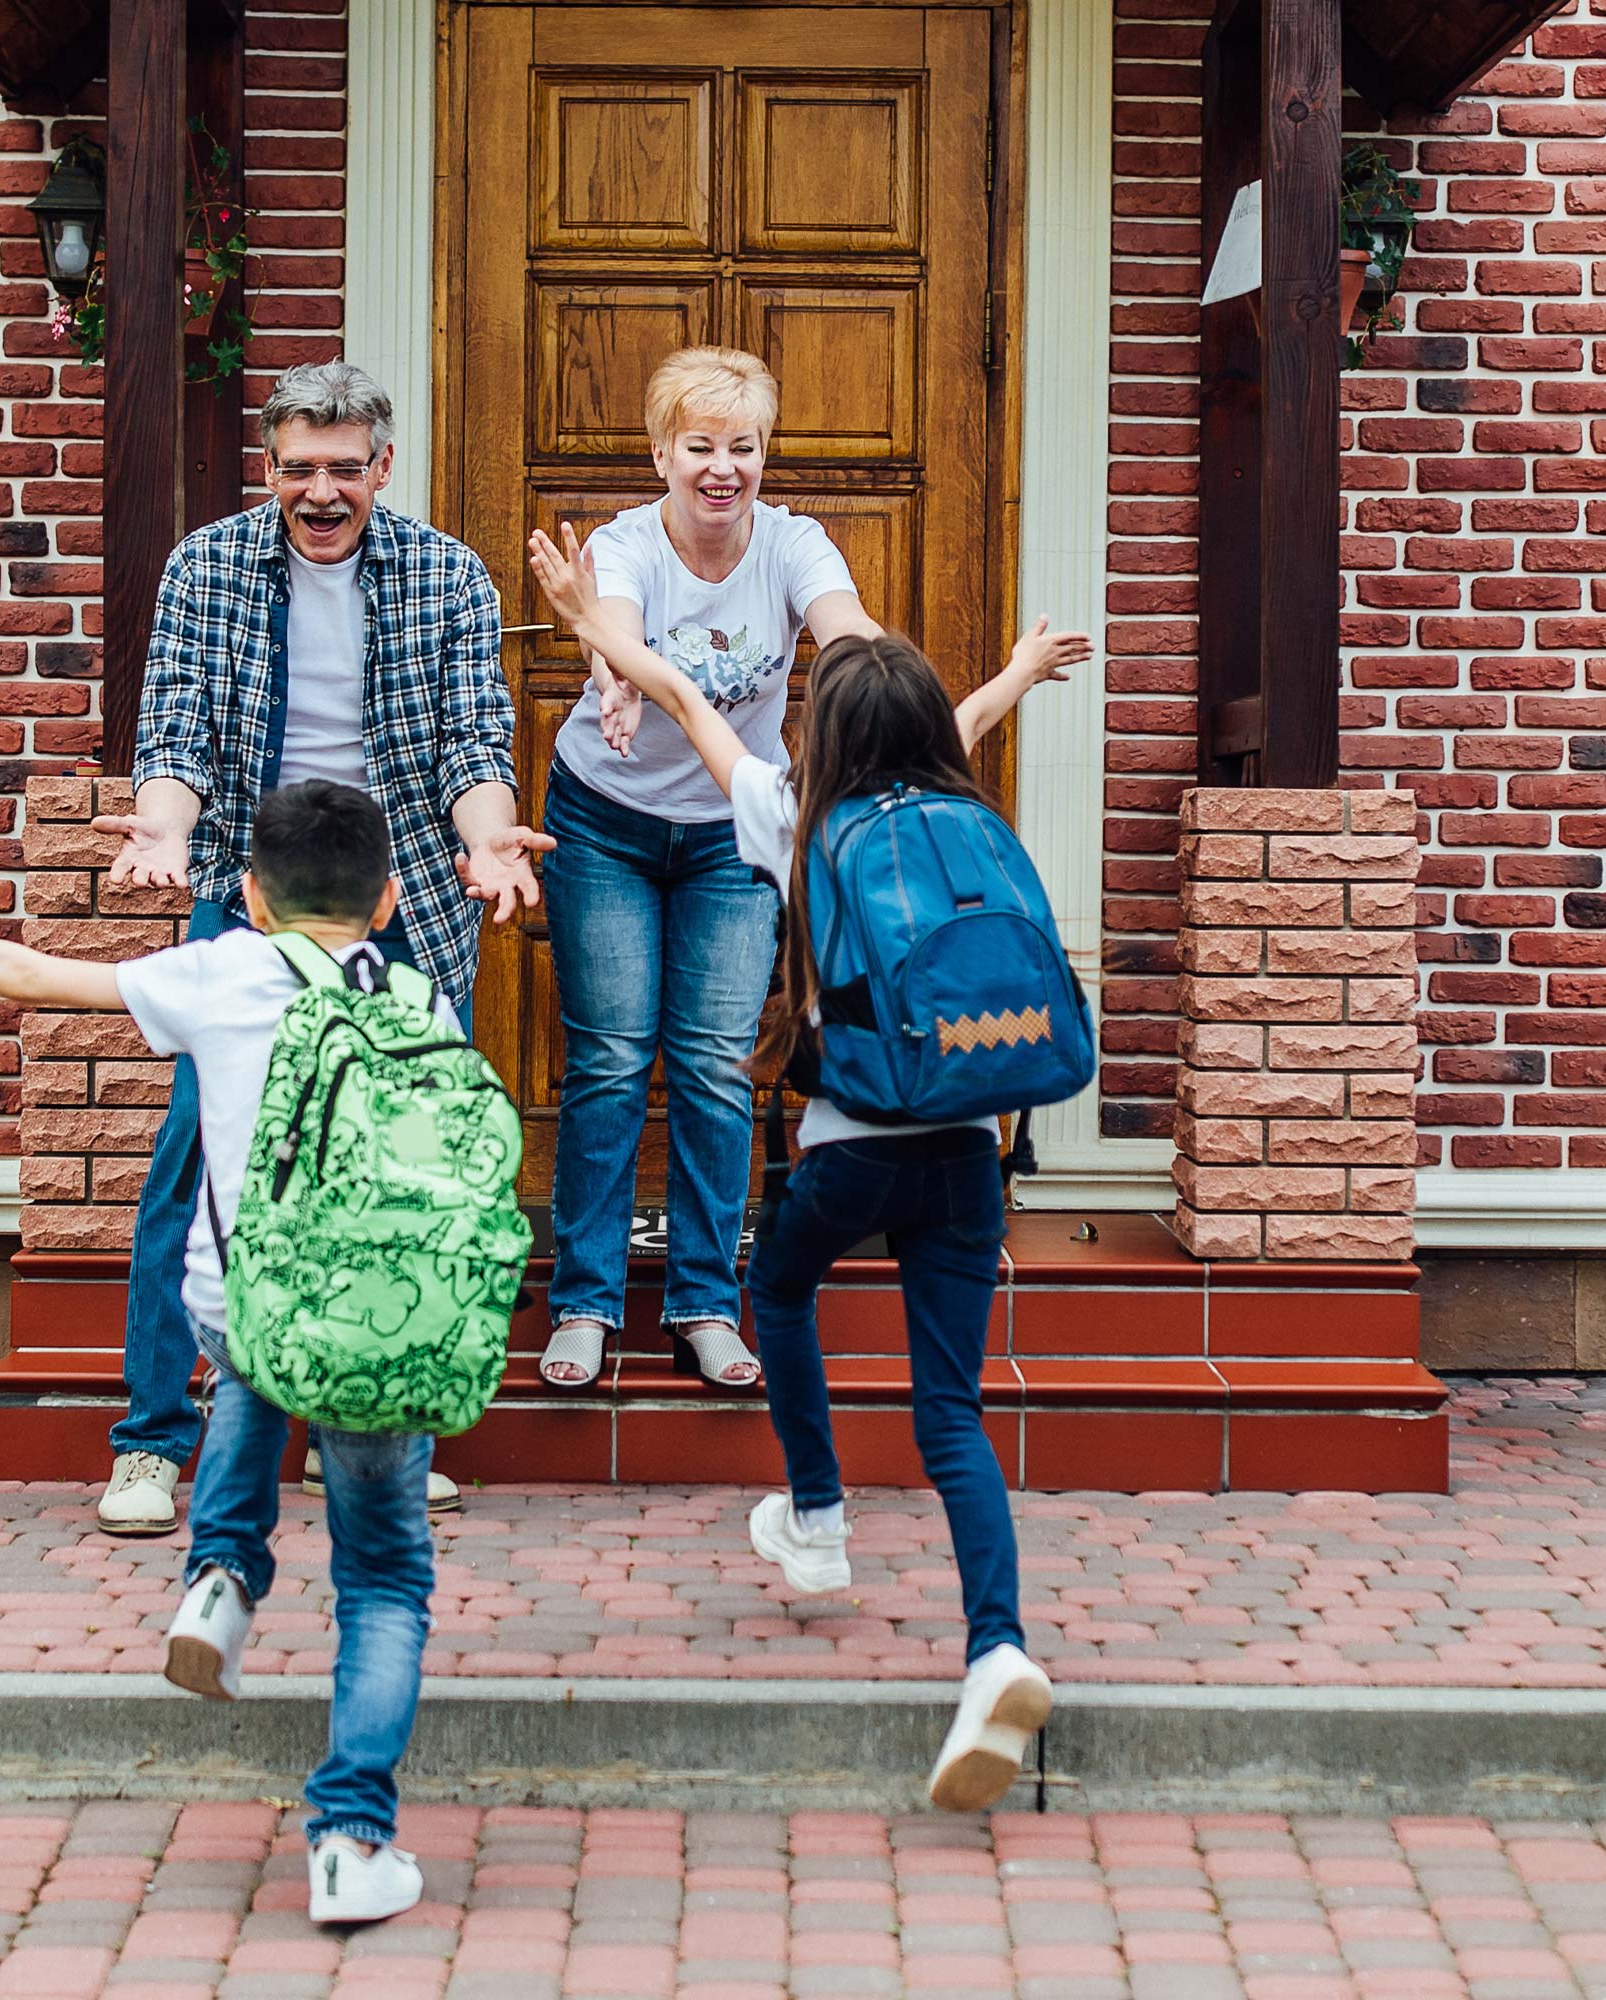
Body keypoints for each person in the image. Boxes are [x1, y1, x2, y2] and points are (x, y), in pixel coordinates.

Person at [0, 781, 447, 1926]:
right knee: (382, 1578)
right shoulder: (422, 1001)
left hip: (242, 1302)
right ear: (387, 899)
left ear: (248, 896)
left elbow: (37, 977)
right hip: (374, 1320)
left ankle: (219, 1580)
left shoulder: (220, 971)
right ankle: (349, 1838)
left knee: (245, 1373)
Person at [528, 519, 1092, 1813]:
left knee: (776, 1295)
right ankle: (997, 1646)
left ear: (821, 733)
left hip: (847, 1149)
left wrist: (578, 620)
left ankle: (820, 1514)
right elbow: (964, 719)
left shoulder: (789, 809)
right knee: (951, 1413)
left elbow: (675, 690)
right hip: (965, 1153)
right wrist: (1007, 673)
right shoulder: (961, 800)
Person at [93, 360, 548, 1533]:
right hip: (254, 897)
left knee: (391, 1176)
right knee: (198, 1161)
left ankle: (366, 1430)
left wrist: (490, 844)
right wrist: (163, 825)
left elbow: (472, 747)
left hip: (401, 904)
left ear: (381, 467)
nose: (320, 491)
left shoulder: (445, 572)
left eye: (344, 468)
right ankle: (152, 1439)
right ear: (270, 466)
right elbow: (175, 729)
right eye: (298, 468)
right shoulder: (208, 566)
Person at [538, 345, 884, 1392]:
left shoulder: (792, 544)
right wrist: (614, 678)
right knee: (607, 1056)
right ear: (661, 454)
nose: (721, 466)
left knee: (713, 1063)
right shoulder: (626, 541)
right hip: (605, 821)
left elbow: (845, 629)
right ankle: (587, 1302)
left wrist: (880, 683)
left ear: (762, 455)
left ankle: (702, 1299)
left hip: (735, 833)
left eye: (742, 446)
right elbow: (617, 627)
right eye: (699, 446)